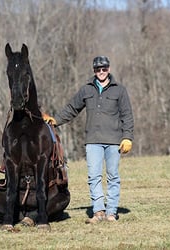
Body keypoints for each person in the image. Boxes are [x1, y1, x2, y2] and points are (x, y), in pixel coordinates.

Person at [44, 56, 134, 223]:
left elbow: (127, 115)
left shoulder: (119, 90)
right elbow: (72, 108)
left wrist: (127, 137)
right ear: (94, 71)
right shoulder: (86, 90)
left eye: (104, 69)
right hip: (93, 141)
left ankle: (111, 212)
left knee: (113, 176)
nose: (101, 72)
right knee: (94, 177)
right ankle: (98, 211)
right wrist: (56, 120)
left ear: (109, 69)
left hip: (114, 141)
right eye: (98, 69)